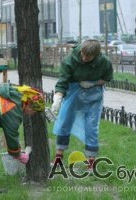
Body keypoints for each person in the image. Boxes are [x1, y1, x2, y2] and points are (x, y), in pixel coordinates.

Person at [47, 39, 113, 171]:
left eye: (88, 56)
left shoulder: (104, 62)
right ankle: (58, 159)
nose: (84, 58)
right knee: (64, 122)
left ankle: (91, 163)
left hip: (94, 97)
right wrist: (58, 99)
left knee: (91, 126)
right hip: (74, 95)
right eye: (83, 54)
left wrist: (93, 83)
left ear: (96, 55)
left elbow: (107, 78)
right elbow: (63, 81)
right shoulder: (70, 61)